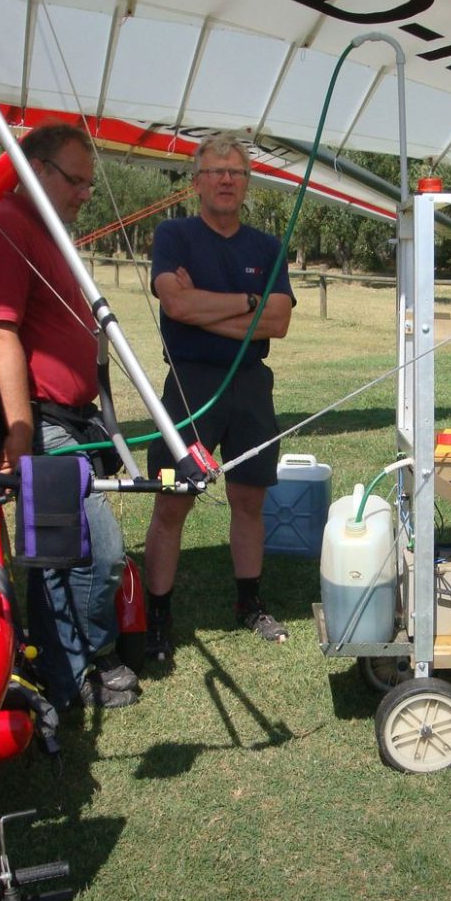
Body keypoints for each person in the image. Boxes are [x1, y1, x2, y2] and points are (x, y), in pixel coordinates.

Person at [0, 123, 139, 711]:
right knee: (90, 549)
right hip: (43, 418)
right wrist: (20, 432)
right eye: (76, 181)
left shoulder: (44, 231)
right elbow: (0, 330)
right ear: (37, 170)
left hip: (73, 417)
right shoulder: (4, 229)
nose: (85, 194)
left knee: (66, 550)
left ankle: (70, 662)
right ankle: (78, 664)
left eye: (90, 184)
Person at [144, 133, 295, 663]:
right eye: (215, 171)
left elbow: (277, 321)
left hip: (251, 386)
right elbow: (176, 305)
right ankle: (157, 615)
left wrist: (216, 308)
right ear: (197, 181)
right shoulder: (174, 235)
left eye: (236, 171)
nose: (226, 179)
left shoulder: (267, 247)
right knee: (172, 500)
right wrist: (249, 308)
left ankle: (249, 603)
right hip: (189, 383)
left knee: (249, 497)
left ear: (247, 182)